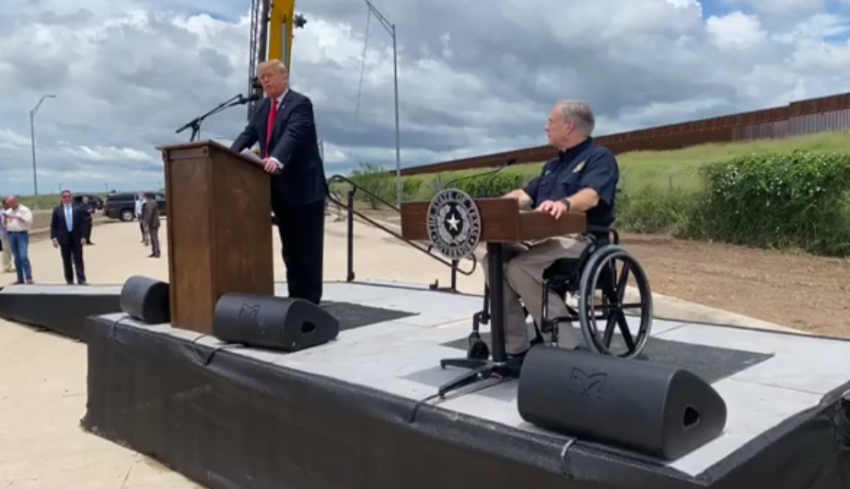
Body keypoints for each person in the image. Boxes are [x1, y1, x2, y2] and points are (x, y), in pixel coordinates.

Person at [484, 99, 619, 358]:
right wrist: (492, 208)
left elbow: (591, 196)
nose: (546, 127)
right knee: (493, 260)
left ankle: (566, 346)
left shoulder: (600, 158)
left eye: (550, 122)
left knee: (520, 267)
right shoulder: (553, 166)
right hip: (541, 240)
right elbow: (525, 195)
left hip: (581, 240)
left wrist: (565, 204)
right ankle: (514, 348)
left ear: (568, 126)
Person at [230, 59, 327, 304]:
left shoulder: (300, 103)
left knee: (308, 251)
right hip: (279, 191)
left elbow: (293, 134)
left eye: (269, 76)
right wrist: (230, 155)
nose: (265, 81)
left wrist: (276, 158)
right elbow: (249, 133)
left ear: (285, 77)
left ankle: (310, 303)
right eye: (262, 78)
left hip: (305, 190)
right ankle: (296, 299)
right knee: (290, 250)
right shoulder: (263, 107)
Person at [50, 190, 87, 285]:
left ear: (71, 197)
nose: (66, 198)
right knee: (67, 260)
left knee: (78, 259)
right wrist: (54, 238)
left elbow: (83, 223)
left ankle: (81, 279)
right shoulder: (57, 210)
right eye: (64, 197)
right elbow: (53, 225)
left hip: (76, 237)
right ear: (61, 198)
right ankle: (69, 280)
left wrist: (84, 236)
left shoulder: (78, 209)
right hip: (64, 238)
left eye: (68, 196)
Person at [3, 196, 34, 284]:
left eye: (12, 203)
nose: (11, 205)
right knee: (16, 258)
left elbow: (29, 221)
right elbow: (5, 224)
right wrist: (5, 221)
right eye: (9, 204)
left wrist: (19, 217)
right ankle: (20, 278)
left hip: (21, 234)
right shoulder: (8, 212)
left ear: (16, 201)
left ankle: (29, 277)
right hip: (11, 234)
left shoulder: (24, 210)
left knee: (23, 256)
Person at [142, 192, 161, 258]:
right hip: (153, 223)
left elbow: (149, 214)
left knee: (154, 238)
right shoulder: (152, 203)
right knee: (152, 238)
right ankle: (154, 252)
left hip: (153, 223)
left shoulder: (151, 203)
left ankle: (157, 252)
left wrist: (146, 223)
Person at [0, 200, 12, 273]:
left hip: (5, 234)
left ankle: (7, 266)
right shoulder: (3, 213)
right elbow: (4, 224)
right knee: (6, 250)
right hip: (5, 234)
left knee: (7, 250)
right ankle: (6, 267)